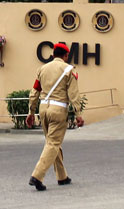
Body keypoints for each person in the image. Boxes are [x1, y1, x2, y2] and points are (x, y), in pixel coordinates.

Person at [27, 43, 83, 191]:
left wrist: (31, 112)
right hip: (58, 110)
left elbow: (34, 91)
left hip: (43, 108)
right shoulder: (69, 70)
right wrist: (78, 113)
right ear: (65, 56)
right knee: (53, 143)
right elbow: (73, 94)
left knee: (52, 142)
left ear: (53, 55)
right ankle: (37, 176)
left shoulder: (42, 69)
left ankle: (62, 176)